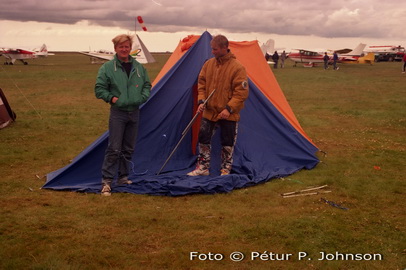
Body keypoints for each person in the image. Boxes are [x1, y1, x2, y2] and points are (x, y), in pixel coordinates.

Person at [95, 34, 151, 196]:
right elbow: (99, 89)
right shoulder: (107, 68)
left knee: (128, 148)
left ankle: (123, 177)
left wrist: (142, 98)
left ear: (130, 48)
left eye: (127, 46)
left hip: (134, 112)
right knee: (114, 148)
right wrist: (112, 98)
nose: (124, 49)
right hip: (118, 113)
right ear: (115, 49)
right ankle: (106, 181)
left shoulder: (139, 68)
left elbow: (147, 84)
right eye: (121, 47)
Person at [187, 35, 249, 176]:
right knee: (203, 137)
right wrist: (202, 101)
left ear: (224, 48)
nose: (212, 52)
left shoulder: (237, 68)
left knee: (228, 141)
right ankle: (203, 168)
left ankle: (225, 169)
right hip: (209, 111)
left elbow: (241, 93)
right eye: (212, 49)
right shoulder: (208, 64)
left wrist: (229, 109)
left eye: (215, 49)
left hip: (229, 113)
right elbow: (201, 84)